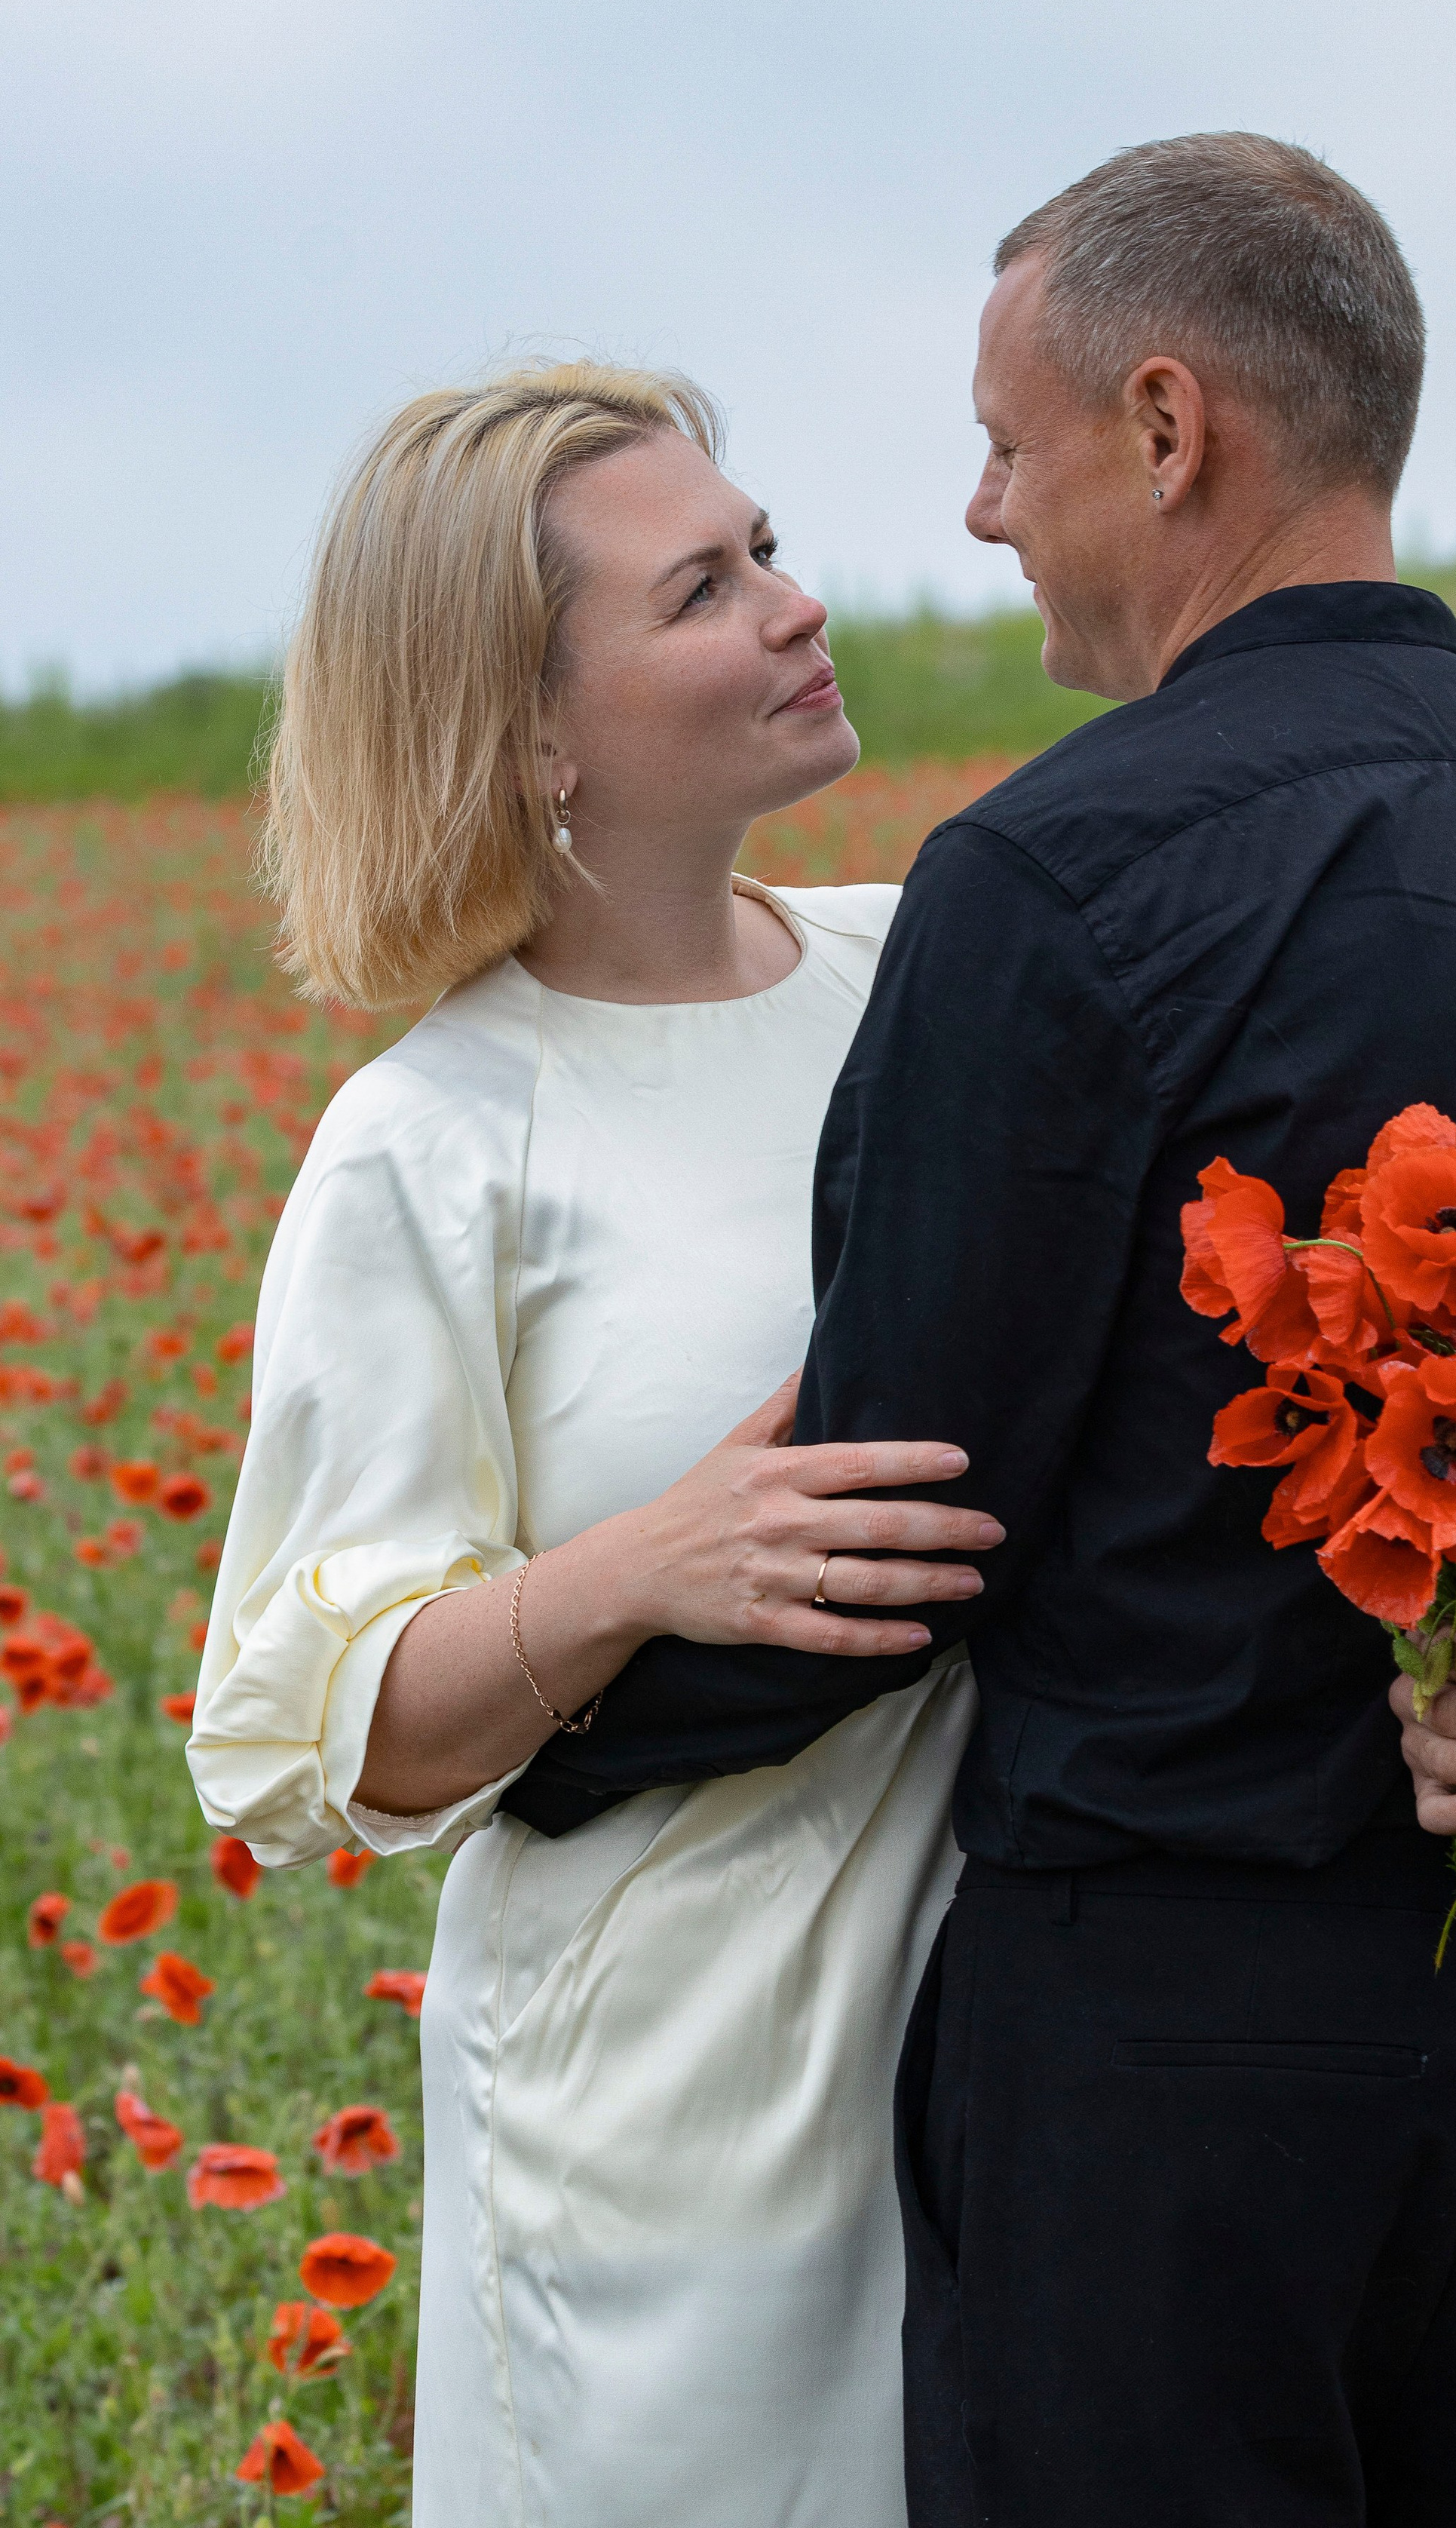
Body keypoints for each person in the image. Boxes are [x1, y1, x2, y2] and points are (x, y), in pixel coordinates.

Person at [538, 137, 1456, 2527]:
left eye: (1006, 442)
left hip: (1160, 2066)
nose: (980, 515)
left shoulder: (1057, 887)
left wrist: (529, 1723)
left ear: (1169, 429)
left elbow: (894, 1529)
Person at [185, 364, 1004, 2528]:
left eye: (769, 548)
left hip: (997, 2044)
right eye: (704, 591)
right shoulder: (435, 1143)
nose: (798, 606)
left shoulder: (920, 977)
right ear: (533, 730)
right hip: (663, 2103)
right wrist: (645, 1566)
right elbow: (319, 1735)